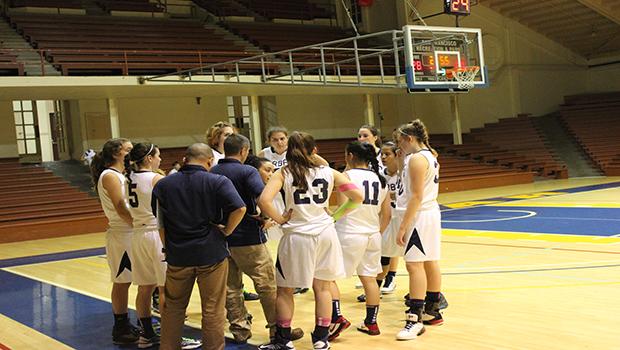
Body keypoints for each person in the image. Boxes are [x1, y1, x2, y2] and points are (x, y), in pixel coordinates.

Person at [258, 131, 363, 350]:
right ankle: (321, 338)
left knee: (285, 290)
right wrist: (334, 216)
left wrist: (280, 219)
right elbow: (357, 197)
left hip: (297, 235)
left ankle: (284, 340)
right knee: (323, 288)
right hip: (325, 233)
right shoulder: (329, 172)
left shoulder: (283, 173)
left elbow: (264, 201)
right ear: (314, 150)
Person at [153, 143, 247, 350]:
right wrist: (227, 231)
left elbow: (160, 223)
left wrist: (167, 247)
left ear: (185, 159)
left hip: (178, 253)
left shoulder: (163, 185)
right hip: (211, 253)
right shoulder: (218, 181)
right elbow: (240, 208)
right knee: (212, 309)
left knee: (173, 307)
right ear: (209, 161)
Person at [212, 135, 304, 344]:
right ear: (245, 150)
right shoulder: (248, 171)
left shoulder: (214, 170)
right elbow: (263, 197)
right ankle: (277, 329)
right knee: (267, 284)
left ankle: (240, 330)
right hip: (248, 238)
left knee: (231, 287)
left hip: (221, 238)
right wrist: (267, 217)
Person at [330, 141, 391, 338]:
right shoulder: (381, 179)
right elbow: (387, 215)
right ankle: (371, 323)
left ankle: (336, 319)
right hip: (372, 234)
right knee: (370, 279)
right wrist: (376, 232)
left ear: (350, 156)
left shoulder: (346, 176)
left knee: (327, 278)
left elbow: (342, 207)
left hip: (349, 232)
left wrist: (330, 219)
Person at [393, 120, 443, 341]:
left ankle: (415, 319)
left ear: (409, 139)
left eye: (399, 141)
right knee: (430, 261)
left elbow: (416, 196)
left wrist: (403, 226)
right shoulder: (430, 155)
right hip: (430, 213)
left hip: (419, 216)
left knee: (414, 265)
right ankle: (433, 309)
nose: (398, 145)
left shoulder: (417, 159)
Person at [90, 138, 139, 345]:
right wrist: (138, 224)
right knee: (122, 281)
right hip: (122, 233)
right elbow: (121, 206)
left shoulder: (122, 175)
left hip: (130, 233)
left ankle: (137, 321)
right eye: (128, 149)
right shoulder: (109, 175)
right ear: (118, 152)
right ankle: (120, 326)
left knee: (137, 280)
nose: (132, 152)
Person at [126, 143, 168, 348]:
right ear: (150, 158)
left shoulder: (127, 178)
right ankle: (171, 337)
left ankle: (146, 334)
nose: (160, 159)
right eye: (158, 155)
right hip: (155, 233)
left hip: (137, 234)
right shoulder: (156, 179)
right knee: (165, 288)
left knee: (144, 288)